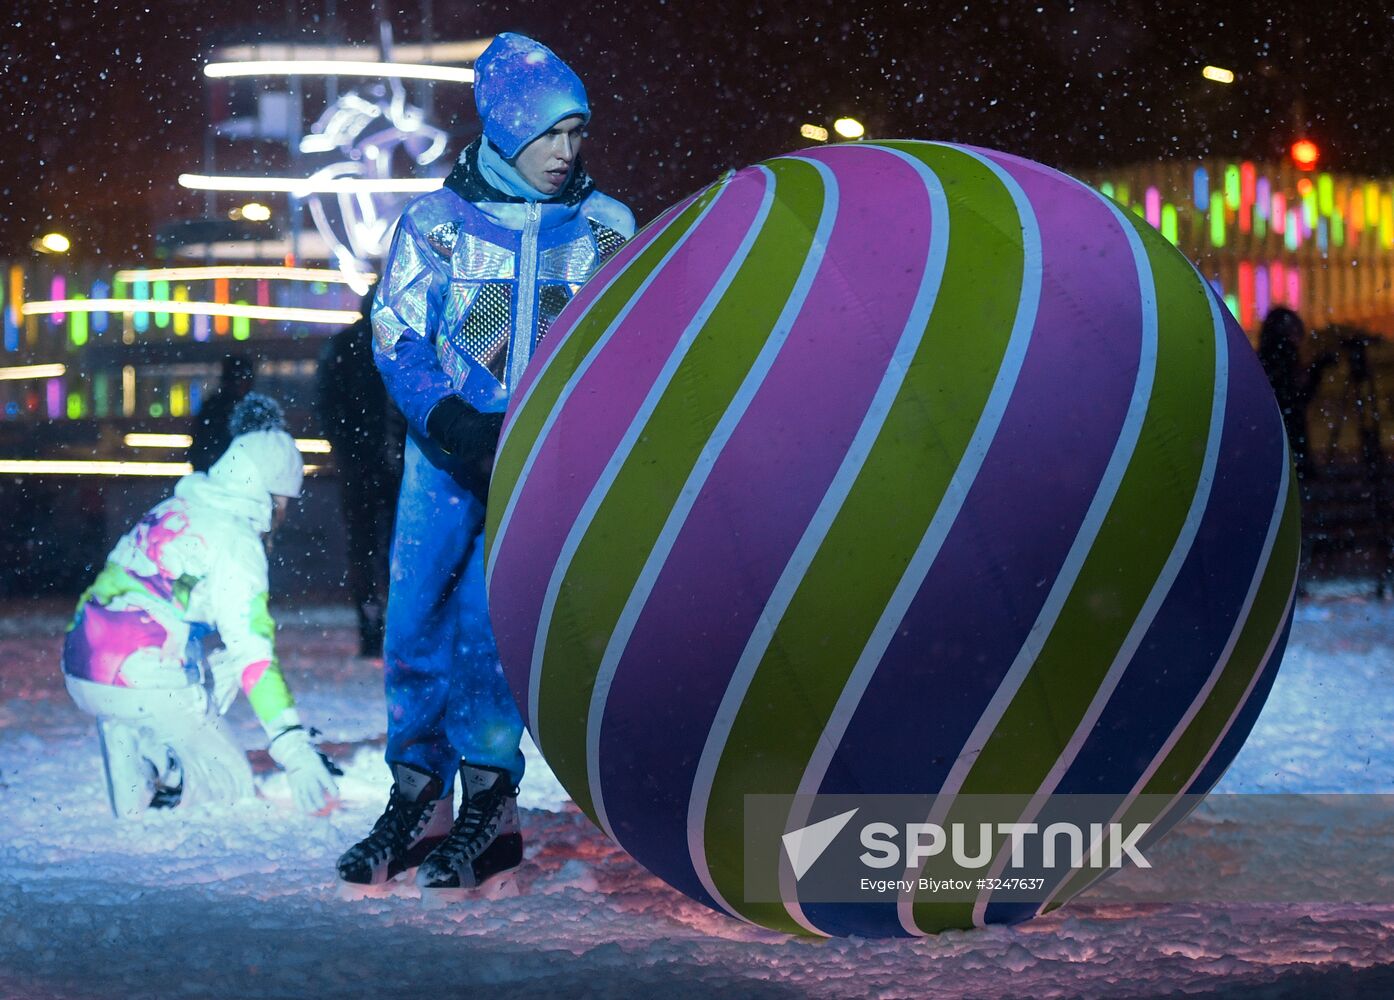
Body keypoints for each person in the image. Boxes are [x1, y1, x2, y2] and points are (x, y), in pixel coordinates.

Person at [337, 32, 634, 892]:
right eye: (551, 133)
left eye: (578, 133)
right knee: (416, 621)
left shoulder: (607, 227)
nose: (567, 152)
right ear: (506, 128)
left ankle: (489, 812)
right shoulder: (435, 224)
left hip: (540, 470)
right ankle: (416, 800)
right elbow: (395, 334)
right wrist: (453, 417)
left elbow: (634, 340)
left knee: (489, 633)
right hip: (444, 460)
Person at [61, 393, 340, 818]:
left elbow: (156, 594)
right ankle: (159, 759)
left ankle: (135, 738)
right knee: (229, 787)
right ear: (268, 494)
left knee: (197, 685)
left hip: (82, 661)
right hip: (135, 672)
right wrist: (292, 746)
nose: (283, 515)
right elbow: (256, 654)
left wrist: (211, 662)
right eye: (284, 502)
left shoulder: (178, 507)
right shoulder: (237, 542)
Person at [316, 290, 405, 658]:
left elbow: (326, 404)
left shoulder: (342, 348)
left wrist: (346, 449)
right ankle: (389, 624)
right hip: (387, 463)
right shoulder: (393, 346)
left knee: (363, 546)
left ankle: (370, 626)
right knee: (392, 547)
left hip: (359, 464)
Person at [1257, 307, 1336, 483]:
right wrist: (1318, 369)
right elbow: (1297, 398)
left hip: (1273, 442)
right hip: (1290, 439)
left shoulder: (1263, 359)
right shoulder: (1284, 354)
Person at [189, 356, 255, 472]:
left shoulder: (213, 407)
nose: (244, 384)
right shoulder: (253, 408)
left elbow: (199, 448)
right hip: (230, 469)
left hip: (218, 469)